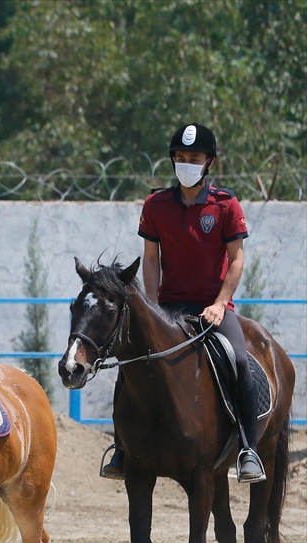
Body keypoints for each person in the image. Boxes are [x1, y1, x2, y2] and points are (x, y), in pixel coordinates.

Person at [101, 122, 263, 483]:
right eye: (181, 157)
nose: (186, 162)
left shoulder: (225, 205)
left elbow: (236, 260)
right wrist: (154, 307)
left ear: (209, 163)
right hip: (170, 307)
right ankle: (122, 448)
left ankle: (248, 449)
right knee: (129, 358)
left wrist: (221, 304)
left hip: (214, 308)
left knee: (238, 360)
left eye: (194, 157)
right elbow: (151, 260)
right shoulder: (156, 204)